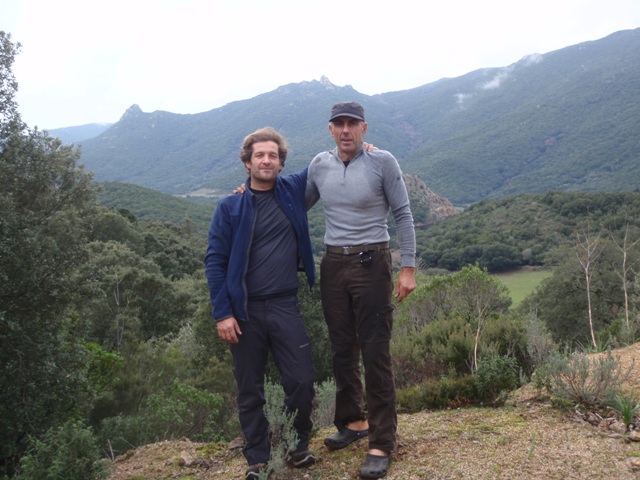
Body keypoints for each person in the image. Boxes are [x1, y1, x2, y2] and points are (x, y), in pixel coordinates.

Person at [305, 101, 417, 479]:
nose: (346, 130)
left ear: (364, 128)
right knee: (341, 349)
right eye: (339, 124)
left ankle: (382, 441)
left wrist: (408, 268)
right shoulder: (319, 165)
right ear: (331, 129)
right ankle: (352, 422)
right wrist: (250, 189)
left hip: (373, 263)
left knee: (374, 351)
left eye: (352, 123)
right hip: (334, 264)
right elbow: (295, 205)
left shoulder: (382, 162)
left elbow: (402, 213)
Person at [204, 127, 317, 480]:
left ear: (281, 163)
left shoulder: (293, 192)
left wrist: (365, 146)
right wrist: (222, 312)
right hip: (244, 311)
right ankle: (257, 458)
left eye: (273, 155)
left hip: (285, 304)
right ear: (247, 161)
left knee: (301, 380)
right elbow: (215, 261)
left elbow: (329, 160)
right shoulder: (231, 206)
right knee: (249, 387)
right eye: (259, 155)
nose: (266, 160)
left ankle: (296, 445)